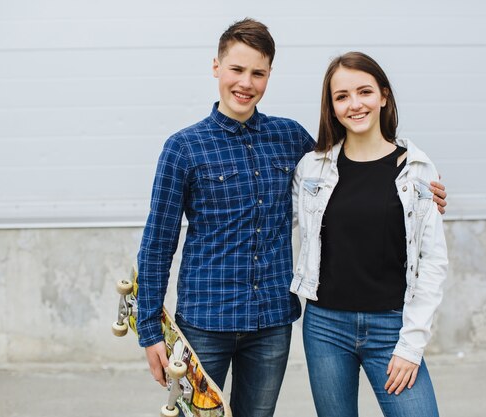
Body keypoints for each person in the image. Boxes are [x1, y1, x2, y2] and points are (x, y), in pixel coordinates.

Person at [137, 19, 448, 417]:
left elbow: (354, 183)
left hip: (271, 324)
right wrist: (150, 330)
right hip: (203, 323)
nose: (245, 82)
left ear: (269, 76)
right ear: (216, 67)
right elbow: (157, 244)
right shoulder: (183, 148)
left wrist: (428, 196)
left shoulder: (291, 140)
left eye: (258, 73)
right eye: (236, 69)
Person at [291, 51, 448, 417]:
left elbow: (433, 262)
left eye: (364, 92)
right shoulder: (312, 169)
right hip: (325, 327)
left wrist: (411, 346)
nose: (354, 104)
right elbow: (271, 222)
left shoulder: (418, 170)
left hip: (392, 326)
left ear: (384, 96)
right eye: (342, 96)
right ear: (331, 107)